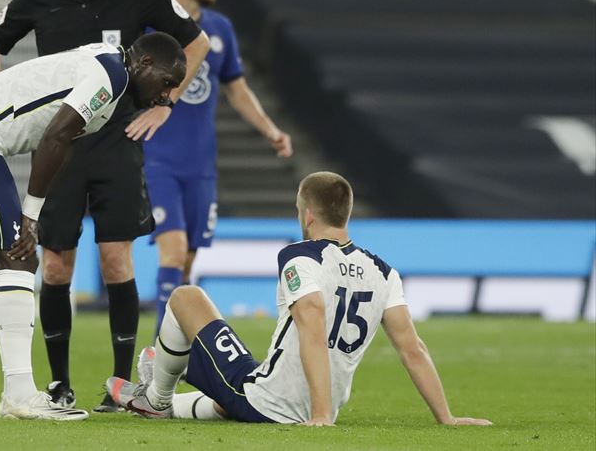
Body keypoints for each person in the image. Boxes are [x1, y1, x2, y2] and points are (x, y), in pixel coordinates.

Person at [0, 33, 187, 420]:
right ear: (145, 63)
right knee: (18, 258)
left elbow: (58, 139)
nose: (166, 97)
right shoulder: (110, 76)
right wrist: (30, 217)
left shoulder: (111, 69)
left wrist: (31, 214)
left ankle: (18, 394)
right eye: (167, 82)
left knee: (15, 259)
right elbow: (56, 136)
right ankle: (17, 396)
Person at [0, 0, 210, 412]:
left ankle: (121, 387)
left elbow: (198, 43)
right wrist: (0, 105)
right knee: (56, 265)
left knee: (116, 259)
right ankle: (59, 384)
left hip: (117, 144)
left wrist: (165, 104)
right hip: (58, 147)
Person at [107, 172, 493, 426]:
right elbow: (413, 348)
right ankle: (168, 395)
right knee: (238, 386)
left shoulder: (301, 256)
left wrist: (321, 417)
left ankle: (157, 397)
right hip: (306, 402)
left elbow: (311, 319)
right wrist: (446, 418)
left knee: (186, 297)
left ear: (308, 215)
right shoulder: (384, 271)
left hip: (274, 402)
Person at [145, 0, 293, 338]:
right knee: (174, 251)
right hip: (157, 157)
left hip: (200, 165)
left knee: (187, 261)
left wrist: (270, 129)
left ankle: (170, 353)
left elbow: (237, 89)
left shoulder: (220, 28)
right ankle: (154, 353)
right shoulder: (149, 23)